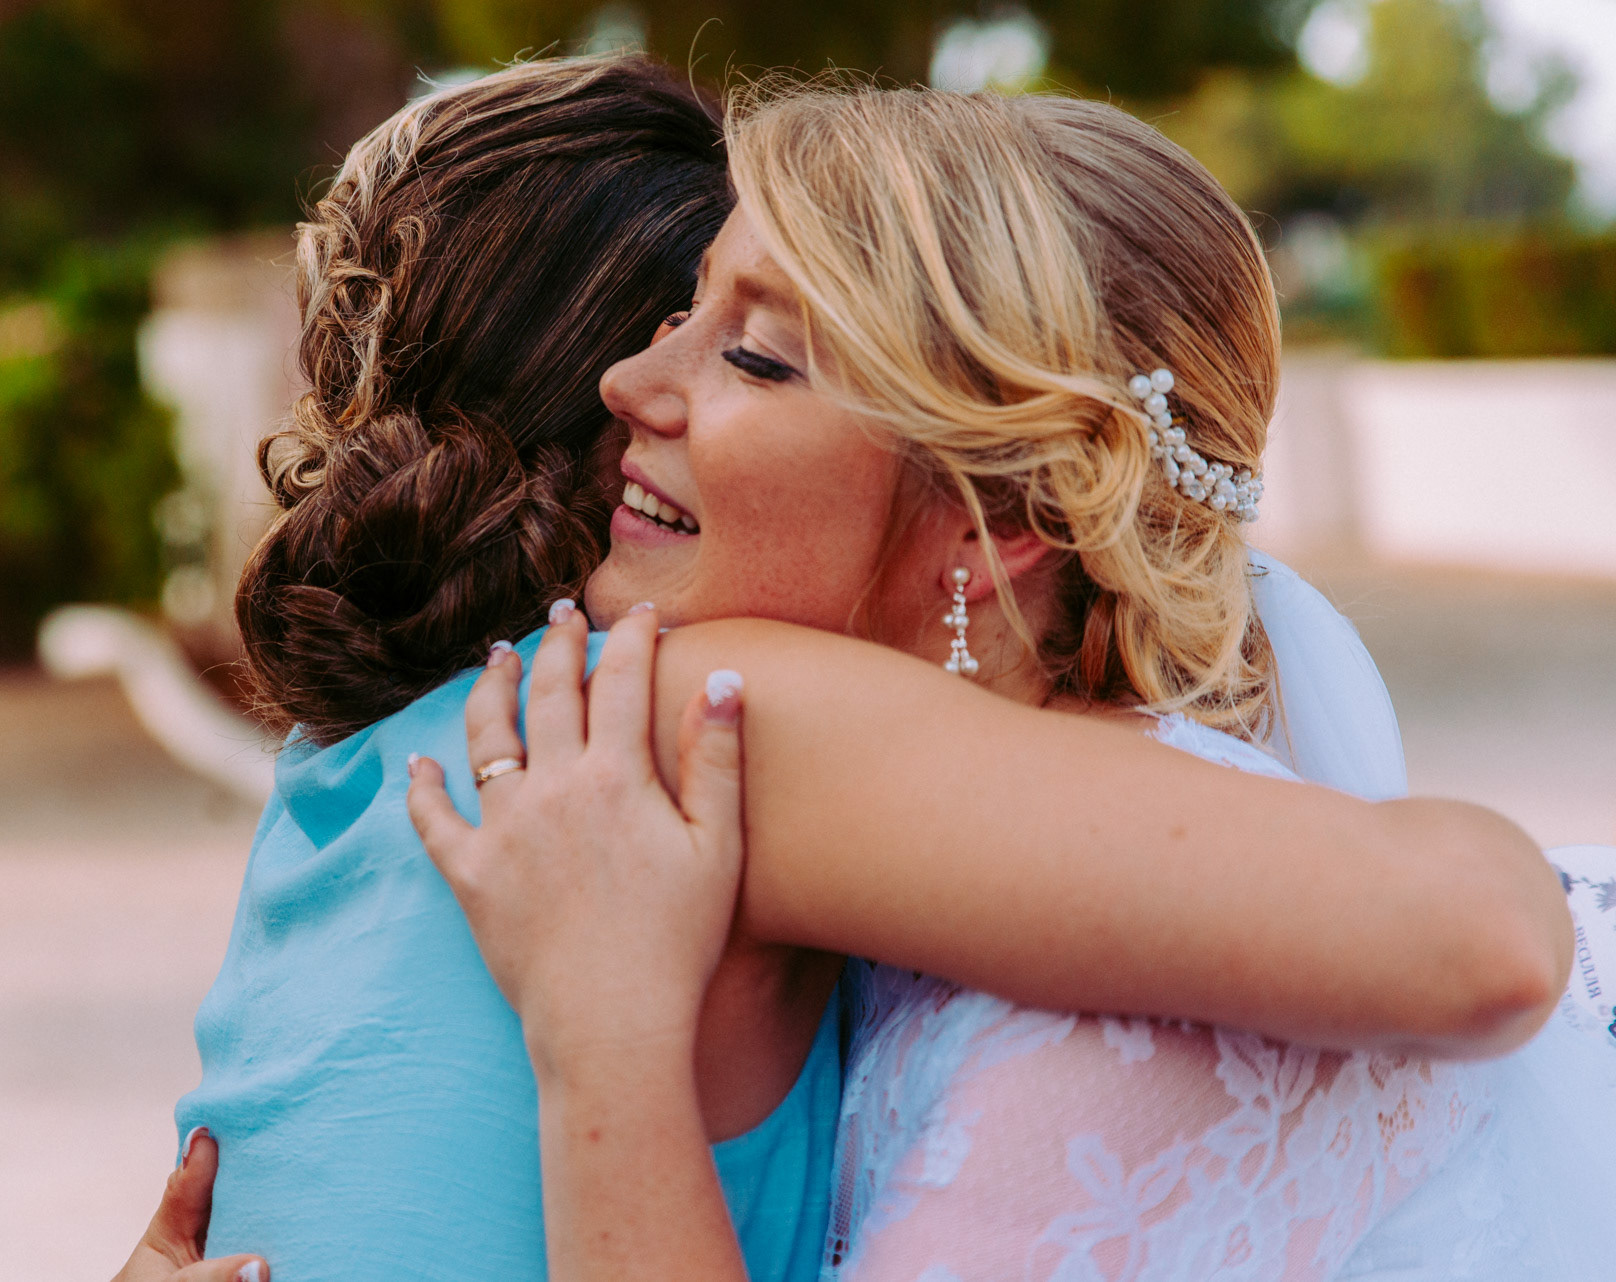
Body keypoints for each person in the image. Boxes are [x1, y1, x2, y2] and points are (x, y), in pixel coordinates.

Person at [119, 56, 1571, 1282]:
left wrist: (602, 1025)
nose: (642, 387)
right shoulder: (672, 709)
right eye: (671, 316)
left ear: (1003, 519)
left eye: (750, 355)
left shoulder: (372, 753)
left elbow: (1483, 942)